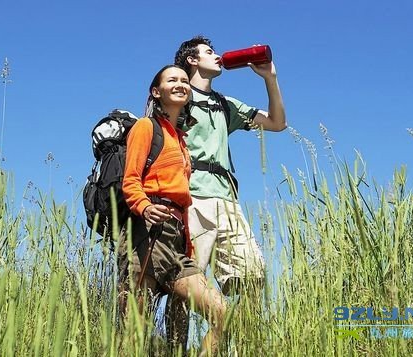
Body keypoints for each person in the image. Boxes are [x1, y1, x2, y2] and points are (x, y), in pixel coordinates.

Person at [166, 36, 287, 347]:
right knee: (188, 284)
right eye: (209, 52)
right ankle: (174, 349)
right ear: (192, 60)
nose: (217, 56)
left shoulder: (224, 104)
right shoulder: (178, 94)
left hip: (228, 202)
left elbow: (277, 123)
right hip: (192, 199)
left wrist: (270, 78)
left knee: (252, 279)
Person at [118, 64, 227, 355]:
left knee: (222, 313)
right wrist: (143, 207)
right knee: (134, 334)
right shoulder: (146, 127)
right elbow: (130, 180)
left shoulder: (181, 141)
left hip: (177, 240)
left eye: (183, 80)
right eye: (172, 80)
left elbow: (183, 199)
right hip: (147, 234)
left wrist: (187, 242)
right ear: (157, 91)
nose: (180, 84)